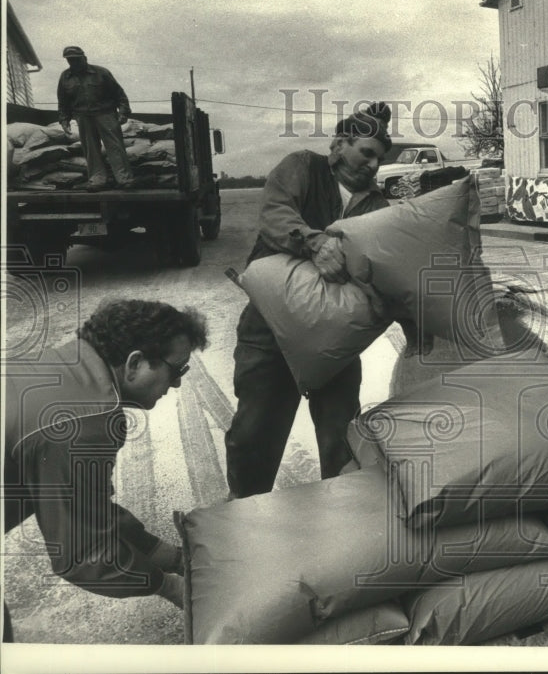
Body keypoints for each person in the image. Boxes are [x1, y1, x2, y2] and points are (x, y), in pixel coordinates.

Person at [226, 102, 423, 498]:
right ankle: (241, 513)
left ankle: (341, 518)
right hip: (271, 333)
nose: (371, 164)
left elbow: (385, 267)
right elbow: (276, 214)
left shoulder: (377, 206)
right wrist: (314, 244)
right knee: (254, 433)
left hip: (335, 343)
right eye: (365, 152)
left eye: (378, 158)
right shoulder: (302, 167)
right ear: (338, 145)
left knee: (340, 435)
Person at [2, 299, 209, 642]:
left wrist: (170, 556)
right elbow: (84, 554)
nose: (177, 385)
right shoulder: (84, 423)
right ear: (135, 363)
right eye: (177, 371)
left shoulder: (67, 364)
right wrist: (169, 586)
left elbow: (88, 509)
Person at [56, 46, 135, 191]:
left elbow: (119, 94)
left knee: (115, 147)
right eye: (70, 60)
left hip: (106, 114)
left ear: (84, 58)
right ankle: (97, 181)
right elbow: (63, 102)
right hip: (82, 116)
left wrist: (123, 112)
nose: (73, 63)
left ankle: (125, 180)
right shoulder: (65, 77)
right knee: (90, 150)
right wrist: (64, 120)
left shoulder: (101, 73)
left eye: (76, 59)